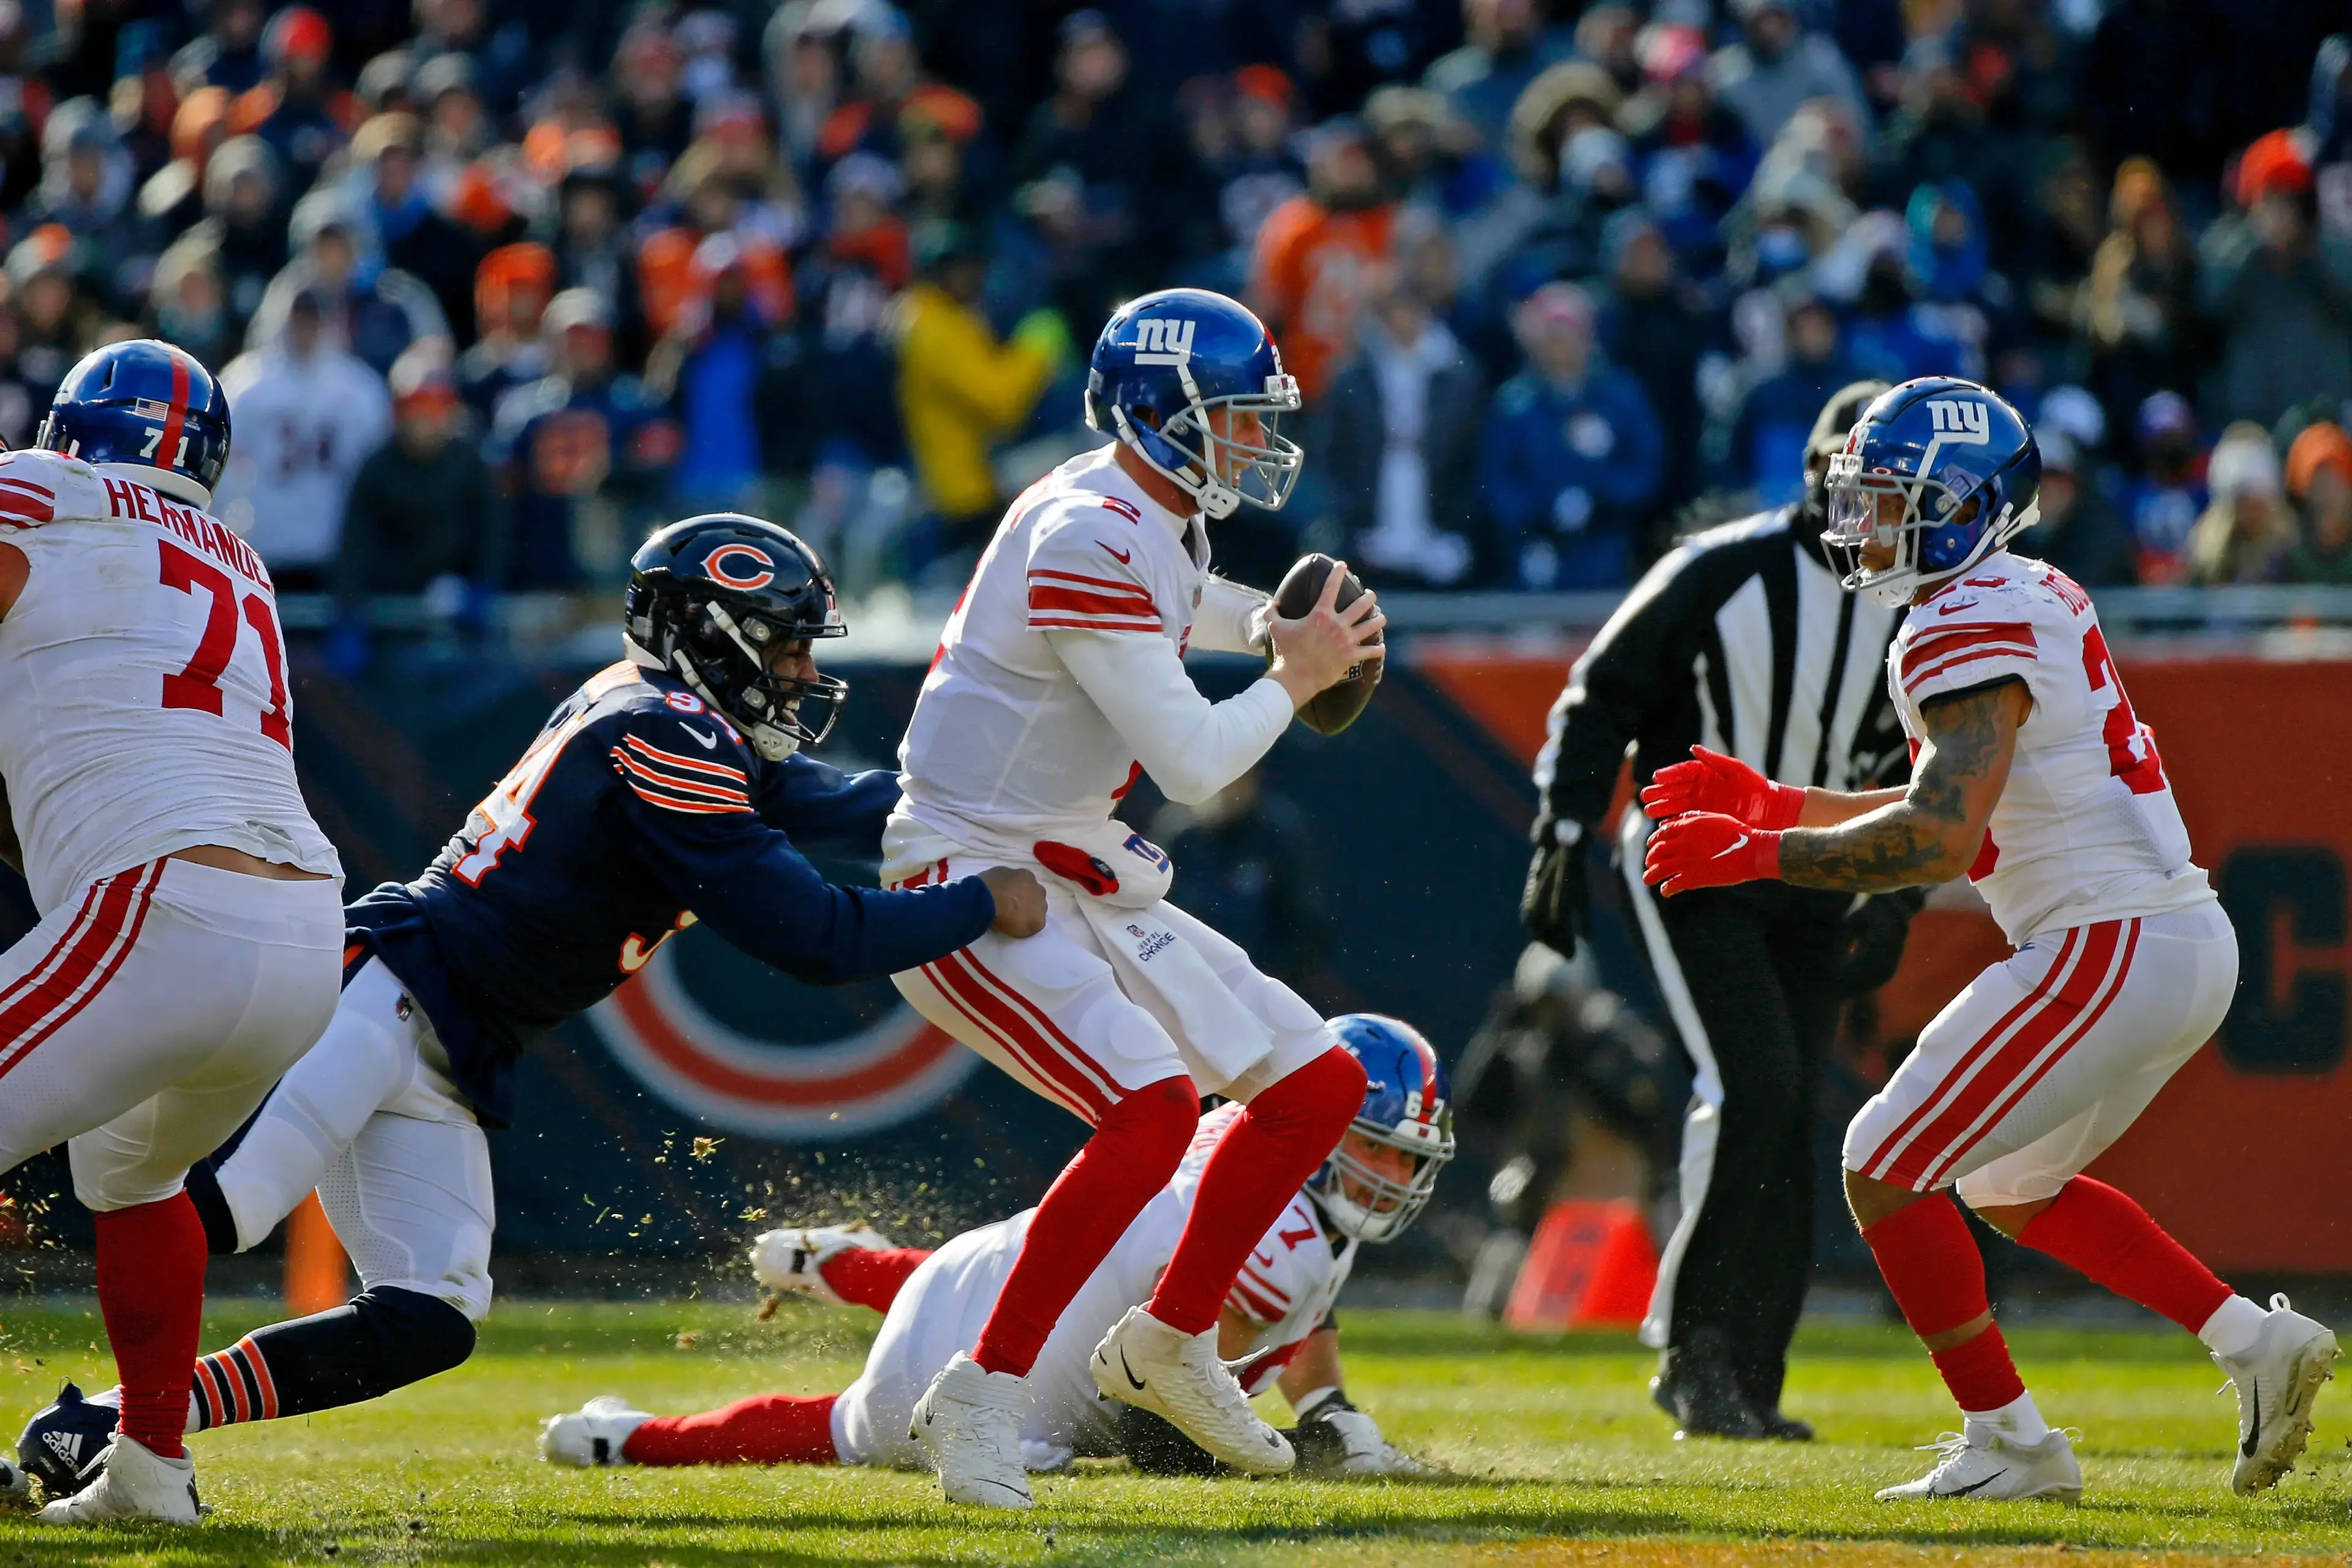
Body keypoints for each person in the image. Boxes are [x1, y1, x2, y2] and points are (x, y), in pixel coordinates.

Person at [17, 517, 1049, 1503]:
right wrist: (979, 899)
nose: (801, 673)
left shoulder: (665, 712)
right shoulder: (666, 737)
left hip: (454, 1038)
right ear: (713, 634)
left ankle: (109, 1421)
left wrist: (1014, 816)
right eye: (783, 647)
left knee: (434, 1316)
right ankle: (111, 1432)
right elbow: (822, 938)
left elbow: (835, 800)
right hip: (385, 998)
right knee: (219, 1213)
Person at [1639, 375, 2339, 1502]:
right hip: (2166, 938)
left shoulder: (1960, 622)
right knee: (2009, 1186)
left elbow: (1934, 836)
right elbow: (1962, 817)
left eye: (1884, 497)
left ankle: (2011, 1441)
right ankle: (2253, 1346)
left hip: (2105, 943)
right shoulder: (2024, 589)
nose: (1856, 521)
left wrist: (1761, 855)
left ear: (1957, 504)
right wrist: (1775, 803)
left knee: (1881, 1163)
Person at [883, 287, 1383, 1510]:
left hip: (1066, 861)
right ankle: (981, 1393)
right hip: (966, 875)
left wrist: (1269, 622)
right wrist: (1296, 666)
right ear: (1162, 417)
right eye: (1237, 419)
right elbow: (1198, 763)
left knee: (1319, 1085)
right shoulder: (1090, 529)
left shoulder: (1139, 513)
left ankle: (1168, 1338)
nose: (1258, 444)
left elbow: (1178, 602)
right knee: (1153, 1109)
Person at [537, 1014, 1446, 1482]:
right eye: (1375, 1146)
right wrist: (1303, 1449)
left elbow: (1308, 1301)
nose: (1390, 1174)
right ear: (1326, 1130)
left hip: (990, 1268)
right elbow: (1160, 1430)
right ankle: (627, 1440)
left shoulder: (1255, 1147)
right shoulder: (1287, 1226)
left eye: (1402, 1157)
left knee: (951, 1279)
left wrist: (1327, 1403)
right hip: (985, 1387)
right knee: (836, 1431)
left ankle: (833, 1265)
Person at [1520, 379, 1912, 1439]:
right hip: (1698, 856)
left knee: (1790, 1114)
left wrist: (1898, 891)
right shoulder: (1721, 569)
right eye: (1855, 484)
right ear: (1816, 478)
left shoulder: (1920, 607)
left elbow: (1924, 772)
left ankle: (1753, 1374)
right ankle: (1694, 1353)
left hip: (1822, 874)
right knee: (1753, 1087)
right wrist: (1561, 829)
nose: (1868, 512)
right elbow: (1600, 693)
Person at [0, 340, 345, 1524]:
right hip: (303, 931)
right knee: (132, 1174)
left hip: (165, 908)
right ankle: (150, 1472)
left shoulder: (39, 491)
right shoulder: (238, 559)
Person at [212, 288, 393, 594]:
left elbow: (376, 475)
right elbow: (223, 464)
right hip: (264, 541)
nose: (306, 330)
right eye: (300, 320)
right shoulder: (246, 384)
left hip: (334, 543)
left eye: (313, 320)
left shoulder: (360, 389)